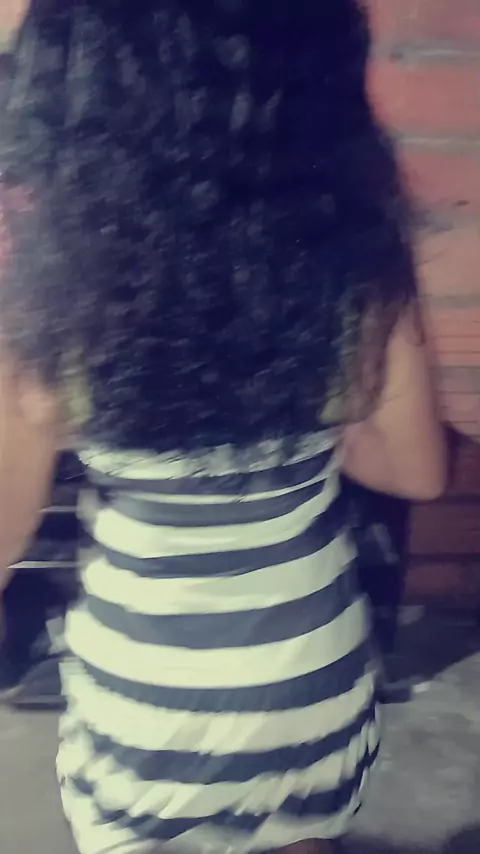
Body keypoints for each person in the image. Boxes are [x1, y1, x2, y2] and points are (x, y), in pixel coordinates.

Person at [0, 2, 446, 853]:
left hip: (148, 705)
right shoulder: (352, 269)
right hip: (311, 682)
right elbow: (416, 471)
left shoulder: (50, 302)